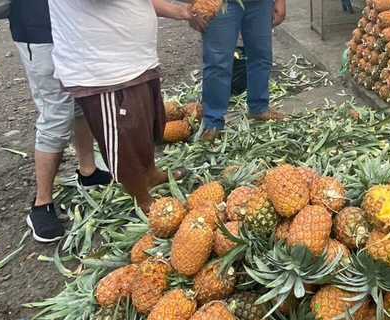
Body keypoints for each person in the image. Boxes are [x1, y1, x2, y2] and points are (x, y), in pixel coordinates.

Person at [46, 0, 205, 214]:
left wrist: (179, 11)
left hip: (135, 61)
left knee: (144, 127)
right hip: (106, 70)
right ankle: (141, 198)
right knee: (124, 140)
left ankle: (150, 175)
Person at [9, 0, 113, 243]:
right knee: (55, 115)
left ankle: (88, 171)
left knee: (80, 102)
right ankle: (41, 203)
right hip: (39, 30)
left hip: (73, 26)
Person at [200, 0, 287, 140]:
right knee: (217, 62)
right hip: (221, 3)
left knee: (261, 55)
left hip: (260, 3)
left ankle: (258, 107)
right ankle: (212, 122)